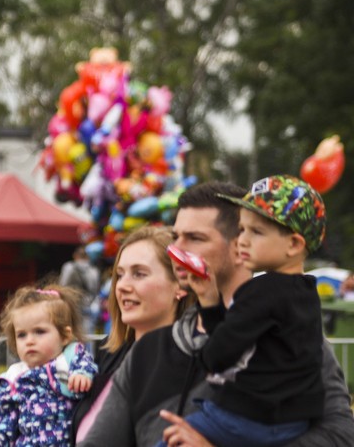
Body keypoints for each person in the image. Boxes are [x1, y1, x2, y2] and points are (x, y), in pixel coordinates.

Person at [81, 181, 354, 447]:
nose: (177, 250)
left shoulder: (295, 335)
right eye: (176, 237)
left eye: (195, 238)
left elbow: (341, 436)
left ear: (240, 248)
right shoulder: (148, 352)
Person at [157, 175, 327, 447]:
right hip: (293, 423)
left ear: (293, 244)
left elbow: (217, 355)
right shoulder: (305, 293)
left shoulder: (261, 292)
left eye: (255, 232)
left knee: (170, 441)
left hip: (246, 418)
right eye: (242, 230)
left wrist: (210, 320)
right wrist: (210, 300)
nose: (242, 240)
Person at [71, 225, 193, 444]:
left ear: (180, 284)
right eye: (119, 275)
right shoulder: (111, 355)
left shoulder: (192, 363)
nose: (122, 286)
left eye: (139, 274)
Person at [0, 284, 97, 446]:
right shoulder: (12, 378)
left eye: (40, 331)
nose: (30, 341)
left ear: (65, 336)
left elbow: (85, 363)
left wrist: (82, 375)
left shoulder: (68, 360)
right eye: (21, 335)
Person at [59, 246, 101, 334]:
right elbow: (95, 289)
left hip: (71, 304)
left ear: (75, 255)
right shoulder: (94, 270)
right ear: (87, 257)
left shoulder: (68, 267)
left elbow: (62, 285)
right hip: (88, 305)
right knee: (88, 334)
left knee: (70, 332)